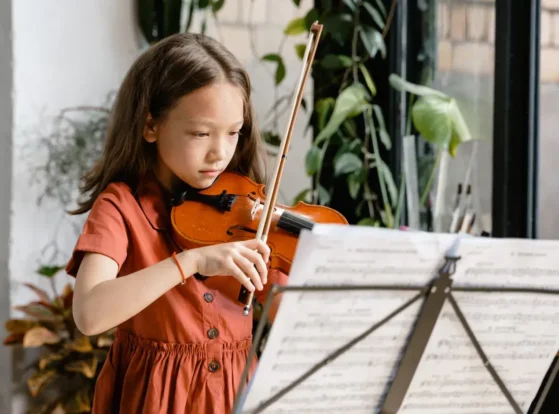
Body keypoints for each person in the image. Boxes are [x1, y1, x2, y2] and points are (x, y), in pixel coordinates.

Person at [65, 32, 289, 413]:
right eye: (201, 133)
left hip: (235, 397)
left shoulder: (245, 209)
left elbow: (286, 311)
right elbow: (89, 314)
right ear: (150, 126)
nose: (220, 152)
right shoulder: (120, 208)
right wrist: (193, 262)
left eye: (233, 132)